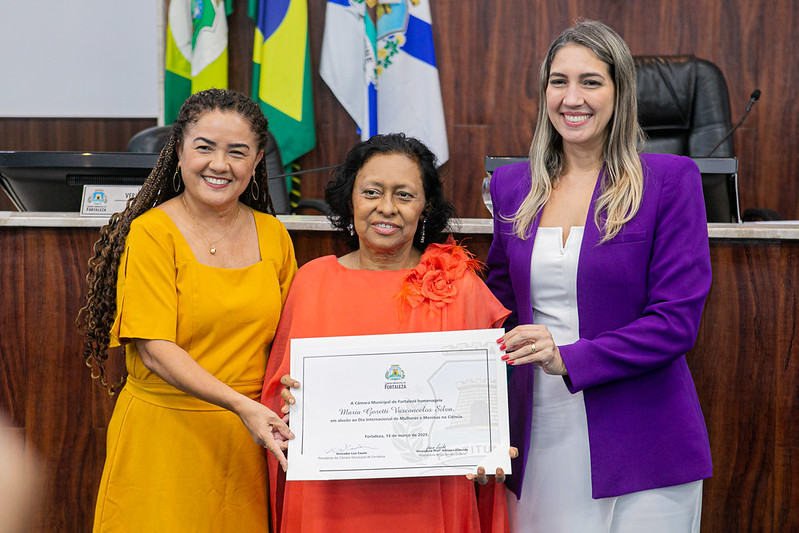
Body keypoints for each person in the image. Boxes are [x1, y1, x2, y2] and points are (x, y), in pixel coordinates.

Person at [485, 20, 713, 533]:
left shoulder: (669, 182)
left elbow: (675, 322)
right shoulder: (511, 186)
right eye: (558, 81)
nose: (572, 98)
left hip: (645, 435)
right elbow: (494, 310)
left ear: (619, 91)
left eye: (591, 81)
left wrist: (568, 356)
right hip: (538, 432)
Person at [261, 133, 512, 532]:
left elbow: (486, 396)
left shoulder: (459, 284)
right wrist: (290, 402)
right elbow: (275, 395)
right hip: (332, 497)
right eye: (372, 192)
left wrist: (488, 441)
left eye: (405, 195)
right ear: (351, 200)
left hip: (430, 495)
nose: (387, 208)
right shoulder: (312, 282)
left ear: (425, 206)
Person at [77, 89, 296, 531]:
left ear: (255, 164)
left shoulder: (274, 235)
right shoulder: (152, 233)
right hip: (163, 440)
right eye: (205, 147)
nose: (220, 164)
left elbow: (293, 340)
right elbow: (155, 349)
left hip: (247, 443)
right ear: (178, 152)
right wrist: (242, 406)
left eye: (238, 152)